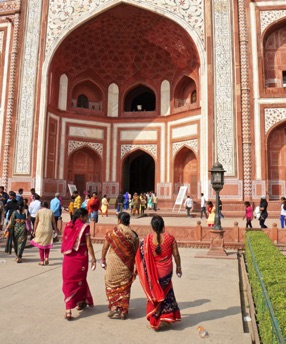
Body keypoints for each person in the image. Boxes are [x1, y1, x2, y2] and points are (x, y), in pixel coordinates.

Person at [135, 215, 181, 330]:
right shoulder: (170, 238)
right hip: (167, 272)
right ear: (163, 225)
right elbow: (176, 255)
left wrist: (138, 269)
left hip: (153, 274)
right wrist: (179, 267)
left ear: (152, 226)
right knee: (167, 292)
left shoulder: (147, 240)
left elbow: (140, 256)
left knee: (155, 295)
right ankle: (167, 316)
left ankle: (156, 319)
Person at [101, 212, 139, 320]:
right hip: (127, 265)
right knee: (125, 287)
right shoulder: (134, 235)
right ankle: (124, 311)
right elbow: (136, 252)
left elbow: (104, 247)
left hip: (113, 262)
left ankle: (114, 307)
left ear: (119, 220)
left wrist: (102, 259)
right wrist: (136, 266)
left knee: (111, 284)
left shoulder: (112, 232)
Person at [61, 208, 96, 320]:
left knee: (68, 281)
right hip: (80, 257)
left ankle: (68, 309)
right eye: (86, 217)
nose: (87, 219)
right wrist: (94, 258)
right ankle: (80, 301)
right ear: (81, 216)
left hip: (68, 258)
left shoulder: (68, 225)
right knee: (79, 281)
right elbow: (89, 244)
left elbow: (65, 240)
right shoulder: (84, 227)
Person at [30, 201, 57, 266]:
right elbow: (53, 222)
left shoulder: (39, 211)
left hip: (40, 229)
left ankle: (42, 261)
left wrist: (34, 230)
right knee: (48, 244)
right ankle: (46, 258)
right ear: (47, 206)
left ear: (41, 206)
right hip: (48, 229)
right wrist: (55, 230)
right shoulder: (51, 212)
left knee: (41, 245)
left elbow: (36, 222)